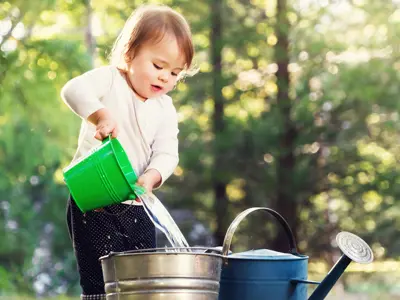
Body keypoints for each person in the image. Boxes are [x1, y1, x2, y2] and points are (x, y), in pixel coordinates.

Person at [60, 4, 195, 299]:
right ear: (130, 53)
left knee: (141, 281)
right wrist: (100, 115)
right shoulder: (110, 80)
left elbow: (168, 152)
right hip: (93, 199)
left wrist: (151, 177)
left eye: (174, 73)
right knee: (102, 280)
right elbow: (72, 90)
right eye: (158, 66)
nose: (165, 78)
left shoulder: (165, 109)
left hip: (137, 204)